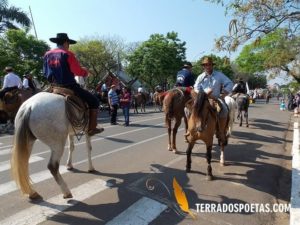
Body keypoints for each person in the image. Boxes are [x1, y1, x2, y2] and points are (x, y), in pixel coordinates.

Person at [43, 33, 103, 136]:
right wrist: (86, 72)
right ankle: (92, 128)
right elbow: (77, 71)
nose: (69, 45)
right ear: (66, 42)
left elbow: (45, 72)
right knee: (94, 101)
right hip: (68, 86)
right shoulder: (68, 54)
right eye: (69, 43)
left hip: (53, 87)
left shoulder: (47, 54)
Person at [194, 56, 233, 132]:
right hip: (202, 99)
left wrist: (224, 93)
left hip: (216, 98)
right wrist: (202, 94)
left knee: (224, 110)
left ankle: (221, 130)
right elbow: (196, 87)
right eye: (206, 65)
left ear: (212, 65)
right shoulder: (200, 77)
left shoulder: (219, 75)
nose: (207, 66)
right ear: (203, 66)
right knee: (187, 109)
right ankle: (191, 129)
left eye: (209, 64)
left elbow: (230, 83)